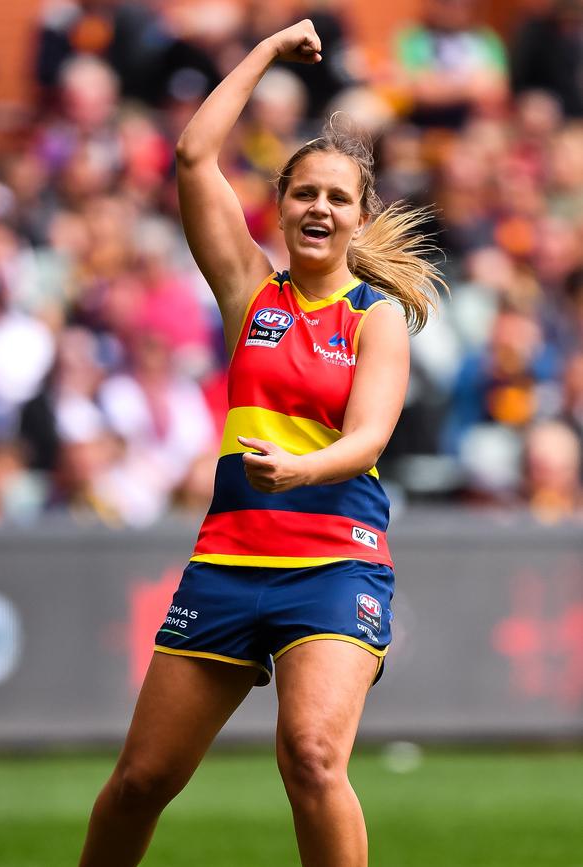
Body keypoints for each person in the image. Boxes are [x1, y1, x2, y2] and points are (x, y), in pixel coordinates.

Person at [78, 20, 443, 867]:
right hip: (231, 559)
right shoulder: (249, 293)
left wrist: (299, 468)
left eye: (337, 197)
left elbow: (367, 439)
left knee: (311, 758)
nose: (319, 207)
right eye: (303, 192)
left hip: (334, 559)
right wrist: (268, 50)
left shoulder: (376, 317)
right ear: (279, 207)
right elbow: (194, 157)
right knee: (140, 780)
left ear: (359, 217)